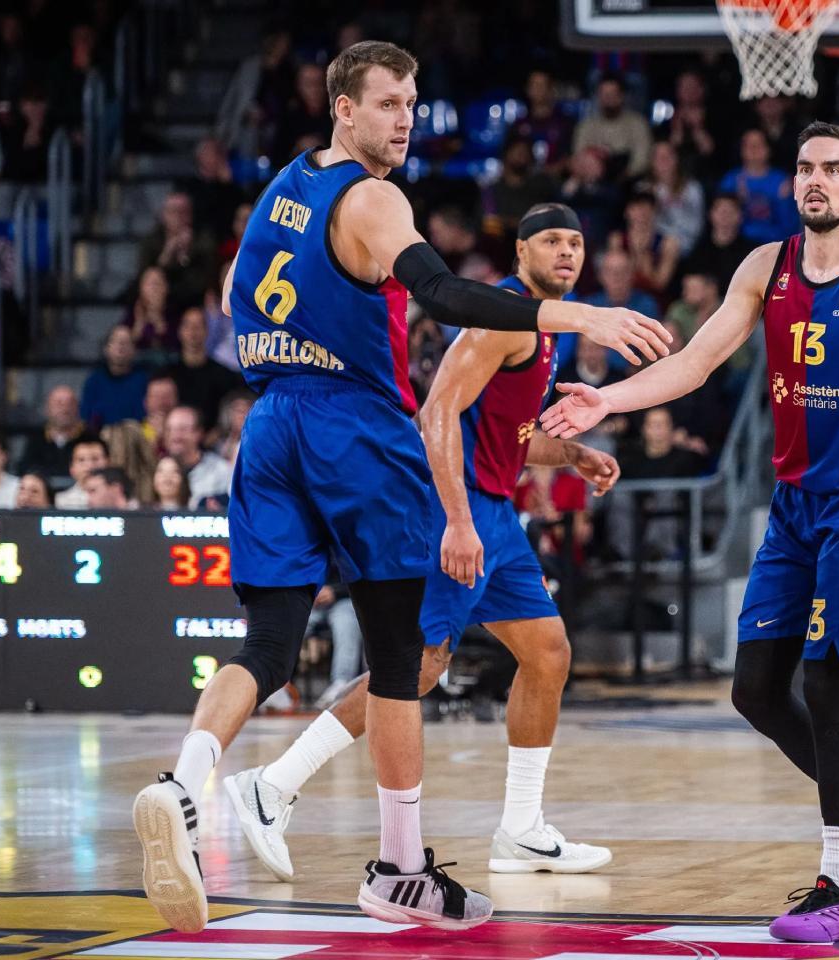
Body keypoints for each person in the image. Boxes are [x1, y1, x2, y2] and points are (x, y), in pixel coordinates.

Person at [130, 40, 668, 935]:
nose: (406, 118)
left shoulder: (278, 190)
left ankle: (185, 782)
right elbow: (445, 294)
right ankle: (400, 868)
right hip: (354, 428)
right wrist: (577, 312)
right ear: (343, 107)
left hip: (267, 423)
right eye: (388, 103)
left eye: (412, 103)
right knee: (398, 658)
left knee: (267, 640)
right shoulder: (373, 197)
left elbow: (234, 297)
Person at [544, 122, 839, 944]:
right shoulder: (765, 267)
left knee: (831, 684)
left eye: (833, 169)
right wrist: (608, 401)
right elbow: (694, 363)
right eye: (806, 167)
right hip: (796, 504)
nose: (816, 179)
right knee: (755, 691)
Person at [226, 201, 618, 882]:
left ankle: (522, 828)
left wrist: (570, 455)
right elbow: (437, 410)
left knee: (547, 653)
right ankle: (273, 784)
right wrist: (458, 522)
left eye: (575, 243)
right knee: (420, 666)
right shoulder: (501, 320)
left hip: (494, 514)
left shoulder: (542, 330)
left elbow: (508, 437)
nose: (566, 253)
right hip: (454, 513)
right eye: (550, 241)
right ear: (519, 253)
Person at [160, 307, 244, 429]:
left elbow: (230, 413)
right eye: (188, 325)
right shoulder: (166, 374)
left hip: (215, 443)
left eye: (198, 326)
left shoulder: (225, 375)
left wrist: (216, 434)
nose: (193, 331)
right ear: (180, 331)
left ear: (207, 331)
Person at [720, 129, 797, 245]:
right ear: (741, 150)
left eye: (758, 145)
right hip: (738, 247)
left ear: (768, 150)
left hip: (776, 245)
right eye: (748, 145)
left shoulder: (782, 180)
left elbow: (789, 227)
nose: (753, 149)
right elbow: (722, 224)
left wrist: (782, 202)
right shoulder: (730, 180)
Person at [571, 74, 652, 181]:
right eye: (604, 94)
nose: (608, 98)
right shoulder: (586, 126)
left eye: (612, 94)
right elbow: (578, 157)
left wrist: (621, 178)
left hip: (628, 182)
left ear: (621, 96)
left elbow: (641, 161)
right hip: (591, 182)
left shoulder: (638, 124)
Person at [18, 385, 95, 479]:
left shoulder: (91, 439)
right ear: (47, 409)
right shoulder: (36, 438)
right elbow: (25, 469)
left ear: (77, 408)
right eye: (59, 404)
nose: (65, 409)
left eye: (70, 404)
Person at [81, 325, 150, 428]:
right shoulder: (93, 381)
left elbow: (149, 418)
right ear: (106, 349)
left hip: (137, 438)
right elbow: (85, 419)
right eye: (116, 341)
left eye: (126, 342)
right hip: (102, 439)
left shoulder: (144, 381)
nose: (121, 345)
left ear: (134, 350)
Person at [162, 406, 229, 507]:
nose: (175, 436)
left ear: (199, 433)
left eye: (182, 429)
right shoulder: (156, 470)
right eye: (169, 429)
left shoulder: (221, 470)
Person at [57, 439, 109, 509]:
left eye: (95, 459)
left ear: (108, 463)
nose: (89, 465)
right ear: (72, 468)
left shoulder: (120, 497)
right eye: (81, 460)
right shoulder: (60, 501)